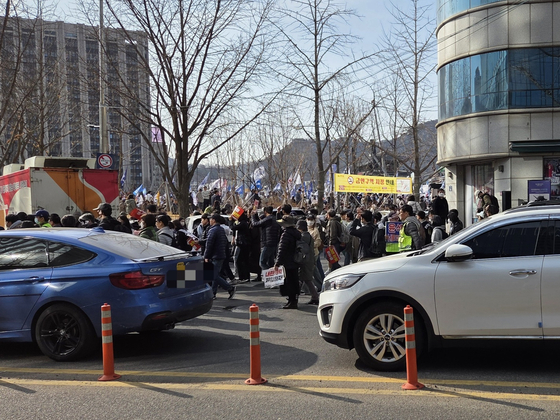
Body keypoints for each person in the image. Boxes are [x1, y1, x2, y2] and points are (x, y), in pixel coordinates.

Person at [204, 214, 236, 299]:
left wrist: (206, 256)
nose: (209, 220)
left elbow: (209, 244)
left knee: (213, 275)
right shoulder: (221, 229)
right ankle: (213, 293)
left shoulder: (213, 230)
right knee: (215, 275)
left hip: (215, 255)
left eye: (211, 219)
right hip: (221, 254)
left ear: (214, 220)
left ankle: (230, 288)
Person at [275, 215, 301, 309]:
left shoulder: (286, 234)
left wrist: (277, 263)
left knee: (289, 282)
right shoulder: (297, 233)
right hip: (295, 260)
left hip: (287, 261)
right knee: (294, 280)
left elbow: (282, 250)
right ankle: (293, 300)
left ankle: (292, 301)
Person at [296, 220, 319, 305]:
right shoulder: (308, 235)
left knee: (306, 279)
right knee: (305, 279)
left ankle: (314, 297)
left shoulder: (303, 236)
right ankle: (314, 297)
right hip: (309, 260)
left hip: (305, 261)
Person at [251, 206, 282, 270]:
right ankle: (273, 276)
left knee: (262, 262)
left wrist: (253, 216)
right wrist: (278, 213)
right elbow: (279, 220)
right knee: (270, 262)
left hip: (267, 243)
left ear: (265, 212)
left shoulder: (268, 219)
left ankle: (269, 273)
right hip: (274, 243)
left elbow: (255, 224)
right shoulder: (274, 219)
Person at [231, 212, 252, 282]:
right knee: (241, 260)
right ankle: (243, 276)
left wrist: (231, 220)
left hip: (243, 244)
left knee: (241, 260)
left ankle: (244, 277)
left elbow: (233, 227)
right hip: (243, 243)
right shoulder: (243, 222)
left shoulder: (243, 223)